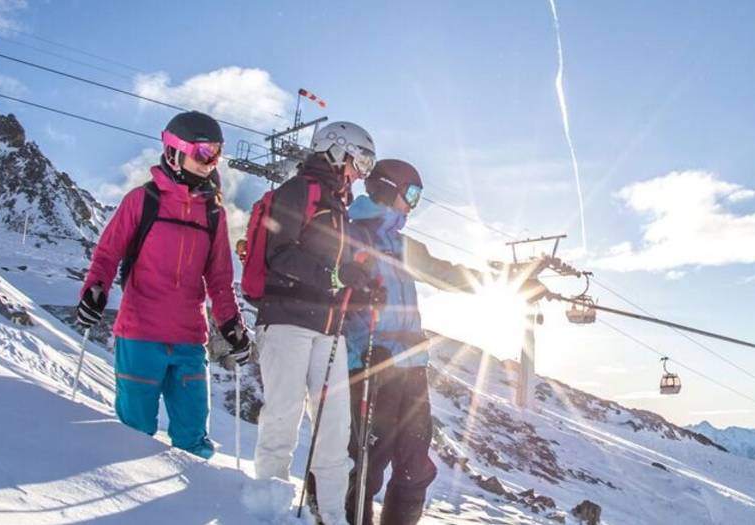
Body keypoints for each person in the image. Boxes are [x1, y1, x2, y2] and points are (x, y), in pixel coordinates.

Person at [342, 159, 547, 525]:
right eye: (413, 194)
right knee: (368, 464)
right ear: (390, 188)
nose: (414, 204)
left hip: (412, 367)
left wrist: (515, 281)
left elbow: (450, 275)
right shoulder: (350, 234)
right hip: (372, 361)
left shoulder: (405, 246)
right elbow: (327, 280)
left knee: (416, 466)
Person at [74, 111, 250, 459]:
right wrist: (94, 291)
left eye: (216, 153)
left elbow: (219, 280)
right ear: (174, 150)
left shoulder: (213, 213)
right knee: (134, 435)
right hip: (140, 336)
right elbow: (108, 253)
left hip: (188, 340)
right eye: (203, 153)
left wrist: (231, 325)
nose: (211, 162)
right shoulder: (143, 201)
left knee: (193, 437)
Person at [237, 121, 376, 524]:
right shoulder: (300, 191)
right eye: (360, 160)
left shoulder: (340, 207)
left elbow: (339, 269)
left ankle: (333, 517)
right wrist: (335, 275)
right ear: (336, 150)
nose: (361, 172)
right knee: (283, 415)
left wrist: (359, 285)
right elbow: (280, 254)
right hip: (286, 321)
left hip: (326, 327)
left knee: (333, 429)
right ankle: (268, 510)